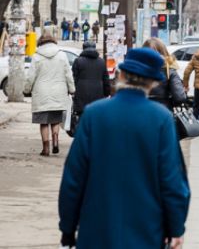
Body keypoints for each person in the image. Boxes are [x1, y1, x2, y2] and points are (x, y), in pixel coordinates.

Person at [58, 48, 190, 249]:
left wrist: (68, 229)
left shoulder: (94, 115)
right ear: (153, 82)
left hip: (96, 229)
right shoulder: (161, 119)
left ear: (121, 75)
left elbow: (74, 178)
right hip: (146, 231)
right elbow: (172, 181)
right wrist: (176, 228)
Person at [24, 35, 75, 156]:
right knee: (55, 121)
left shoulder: (36, 57)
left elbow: (31, 76)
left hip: (41, 93)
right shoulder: (62, 55)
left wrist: (26, 90)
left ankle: (46, 148)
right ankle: (56, 142)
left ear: (41, 43)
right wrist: (72, 89)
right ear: (53, 42)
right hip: (58, 93)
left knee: (43, 122)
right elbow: (68, 75)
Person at [71, 41, 110, 131]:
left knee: (82, 117)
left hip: (81, 94)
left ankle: (83, 138)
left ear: (83, 48)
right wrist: (106, 93)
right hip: (98, 94)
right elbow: (106, 80)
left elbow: (74, 78)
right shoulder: (101, 62)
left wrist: (73, 92)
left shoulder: (78, 61)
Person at [144, 37, 187, 110]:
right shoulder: (169, 70)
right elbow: (180, 97)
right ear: (164, 52)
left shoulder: (135, 69)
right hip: (162, 112)